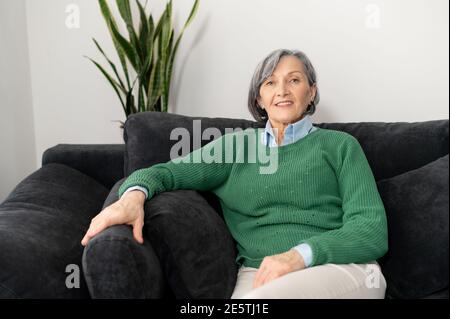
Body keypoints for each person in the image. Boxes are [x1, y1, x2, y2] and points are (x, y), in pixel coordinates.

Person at [81, 49, 388, 299]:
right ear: (259, 99)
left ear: (311, 93)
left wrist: (298, 255)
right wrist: (132, 197)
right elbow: (164, 173)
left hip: (341, 267)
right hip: (259, 273)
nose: (282, 90)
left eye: (294, 80)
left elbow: (371, 230)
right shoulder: (234, 149)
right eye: (270, 83)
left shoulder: (340, 146)